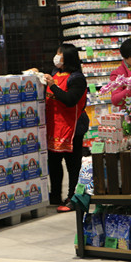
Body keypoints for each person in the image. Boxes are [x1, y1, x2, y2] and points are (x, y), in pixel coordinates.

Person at [34, 43, 89, 212]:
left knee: (73, 165)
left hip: (72, 128)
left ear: (68, 57)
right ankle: (55, 195)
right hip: (54, 127)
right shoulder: (55, 73)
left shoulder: (77, 78)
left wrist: (53, 86)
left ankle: (73, 198)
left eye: (60, 54)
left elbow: (70, 100)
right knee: (54, 163)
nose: (56, 56)